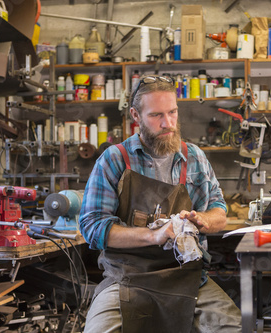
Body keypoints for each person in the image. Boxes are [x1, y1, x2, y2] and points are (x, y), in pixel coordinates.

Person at [79, 75, 242, 332]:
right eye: (156, 115)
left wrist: (204, 220)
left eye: (173, 112)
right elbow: (92, 227)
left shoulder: (195, 158)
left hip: (188, 277)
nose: (168, 123)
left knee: (231, 327)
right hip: (127, 278)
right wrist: (153, 236)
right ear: (136, 115)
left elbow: (219, 210)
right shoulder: (115, 159)